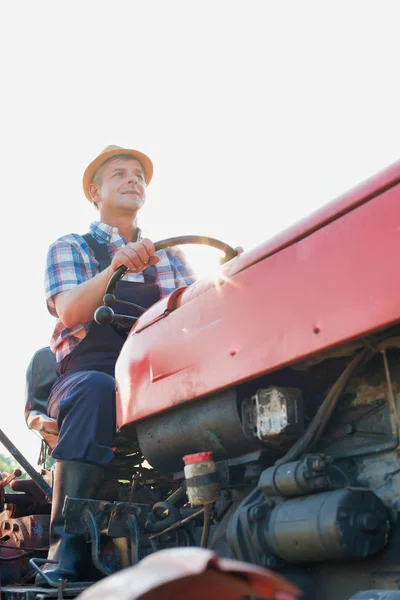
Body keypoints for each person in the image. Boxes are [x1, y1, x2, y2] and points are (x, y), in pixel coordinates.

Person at [40, 145, 196, 583]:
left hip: (157, 374)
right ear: (95, 191)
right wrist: (114, 268)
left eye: (139, 176)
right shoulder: (71, 246)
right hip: (88, 376)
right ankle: (64, 551)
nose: (133, 180)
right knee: (96, 389)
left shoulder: (171, 256)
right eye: (120, 174)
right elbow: (70, 309)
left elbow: (196, 312)